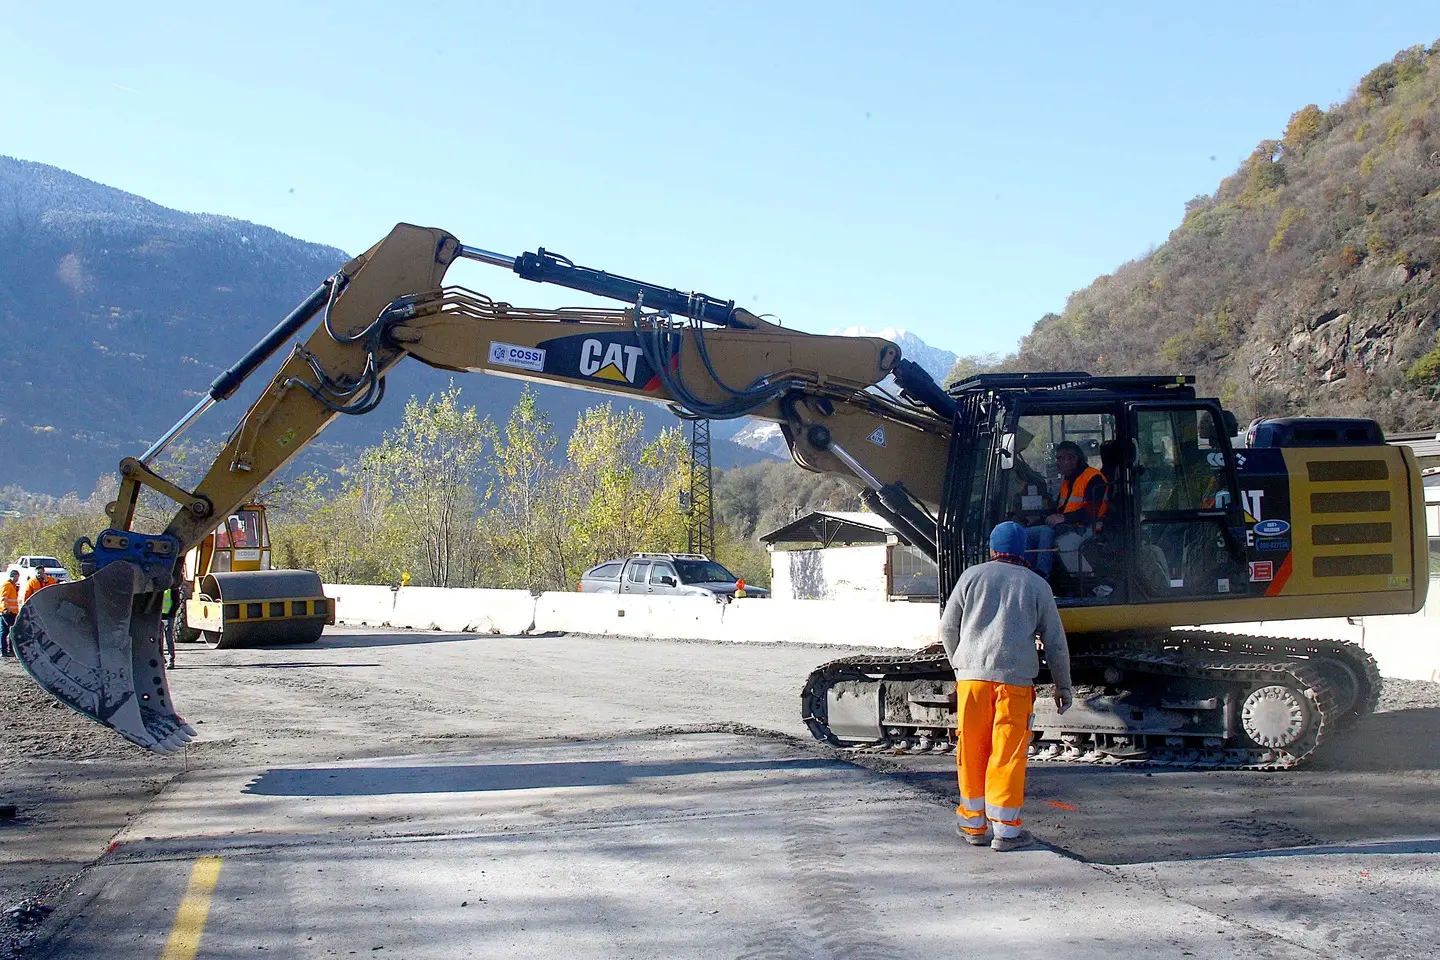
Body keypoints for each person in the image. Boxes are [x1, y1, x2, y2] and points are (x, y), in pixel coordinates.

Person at [940, 521, 1072, 852]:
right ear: (1024, 552)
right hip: (1014, 681)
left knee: (972, 749)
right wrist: (1063, 686)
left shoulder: (972, 576)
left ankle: (973, 825)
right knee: (1008, 754)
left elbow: (948, 627)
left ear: (992, 548)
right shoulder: (1037, 585)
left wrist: (961, 665)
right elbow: (1055, 642)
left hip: (972, 680)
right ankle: (1006, 832)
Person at [1044, 441, 1108, 579]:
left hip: (1090, 527)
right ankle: (1039, 576)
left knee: (1063, 542)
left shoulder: (1094, 478)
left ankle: (1087, 582)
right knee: (1035, 534)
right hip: (1071, 525)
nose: (1057, 463)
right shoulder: (1068, 480)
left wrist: (1065, 518)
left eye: (1060, 458)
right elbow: (1059, 508)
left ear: (1073, 459)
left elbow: (1092, 512)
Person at [1, 570, 20, 658]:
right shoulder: (7, 585)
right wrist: (5, 609)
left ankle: (7, 650)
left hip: (12, 612)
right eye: (16, 577)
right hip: (8, 612)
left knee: (5, 631)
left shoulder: (12, 585)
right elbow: (3, 598)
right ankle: (6, 650)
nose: (17, 579)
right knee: (8, 631)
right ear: (12, 576)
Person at [161, 586, 179, 669]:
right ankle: (161, 658)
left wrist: (171, 615)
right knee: (158, 639)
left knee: (169, 639)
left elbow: (176, 603)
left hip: (168, 616)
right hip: (159, 616)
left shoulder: (173, 588)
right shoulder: (159, 587)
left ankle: (171, 660)